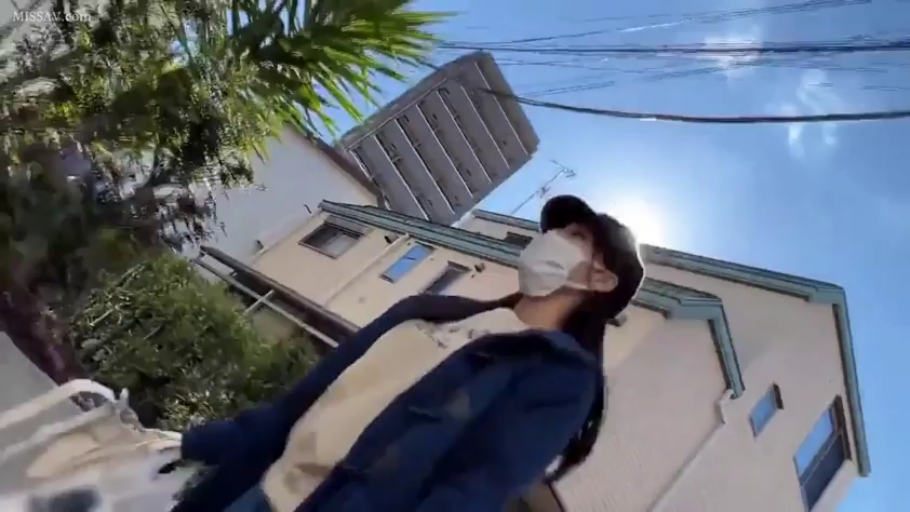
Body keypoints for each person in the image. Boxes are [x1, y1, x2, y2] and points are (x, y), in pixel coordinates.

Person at [172, 195, 645, 512]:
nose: (553, 240)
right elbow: (304, 401)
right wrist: (192, 443)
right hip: (259, 486)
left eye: (576, 237)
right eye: (557, 230)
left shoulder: (559, 374)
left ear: (602, 280)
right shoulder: (432, 311)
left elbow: (470, 490)